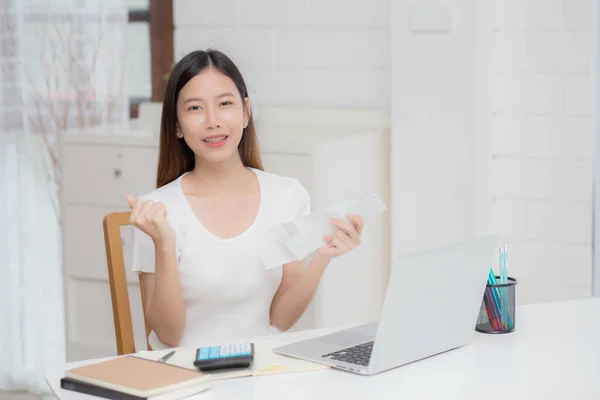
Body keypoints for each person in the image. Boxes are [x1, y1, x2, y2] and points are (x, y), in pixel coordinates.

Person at [127, 49, 364, 350]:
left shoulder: (286, 196)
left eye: (225, 104)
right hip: (187, 382)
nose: (212, 121)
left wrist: (322, 258)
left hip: (260, 374)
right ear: (176, 125)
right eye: (195, 108)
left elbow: (280, 319)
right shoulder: (157, 213)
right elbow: (169, 336)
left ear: (245, 112)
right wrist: (164, 243)